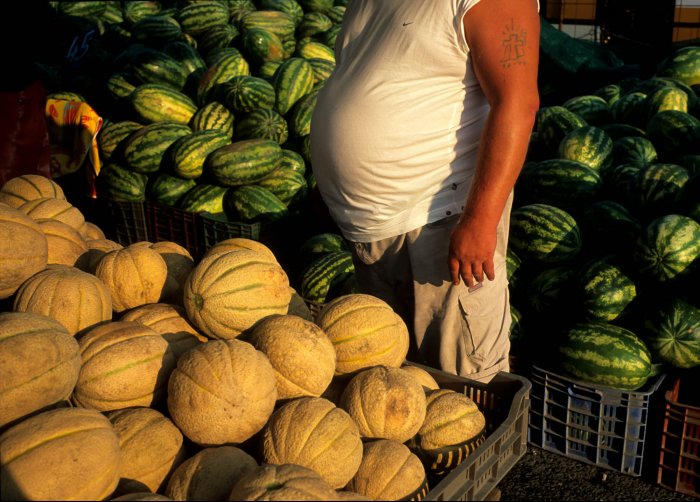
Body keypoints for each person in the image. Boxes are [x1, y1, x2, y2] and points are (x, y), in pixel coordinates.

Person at [310, 0, 541, 383]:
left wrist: (480, 222)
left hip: (438, 223)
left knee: (459, 394)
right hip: (372, 231)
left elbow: (517, 104)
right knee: (388, 391)